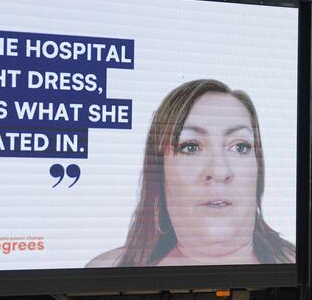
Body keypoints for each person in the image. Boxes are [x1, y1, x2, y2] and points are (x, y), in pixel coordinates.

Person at [87, 79, 296, 267]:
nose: (220, 171)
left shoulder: (296, 263)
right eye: (191, 147)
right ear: (160, 171)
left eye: (239, 147)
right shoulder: (110, 268)